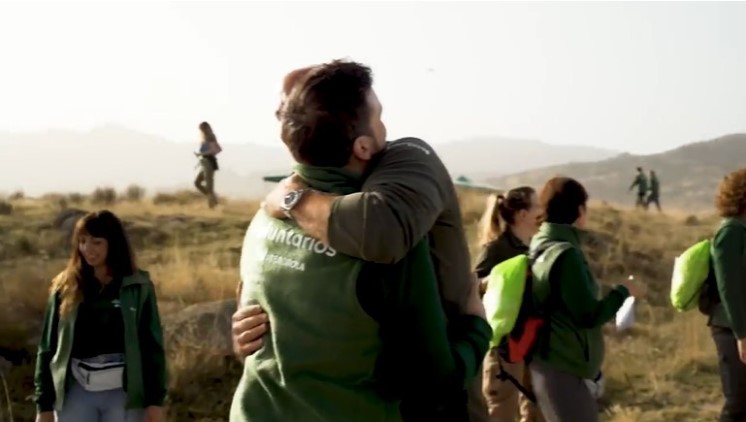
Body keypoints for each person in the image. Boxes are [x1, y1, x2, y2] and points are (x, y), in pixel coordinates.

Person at [229, 60, 490, 422]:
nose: (387, 127)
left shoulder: (263, 220)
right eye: (380, 116)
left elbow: (259, 325)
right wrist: (478, 327)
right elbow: (433, 378)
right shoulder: (382, 244)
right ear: (363, 147)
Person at [34, 210, 167, 422]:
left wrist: (155, 402)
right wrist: (43, 405)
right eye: (83, 241)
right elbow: (48, 348)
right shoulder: (65, 286)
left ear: (113, 244)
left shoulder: (138, 286)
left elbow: (152, 347)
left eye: (97, 242)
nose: (88, 249)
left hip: (123, 394)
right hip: (75, 392)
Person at [527, 177, 638, 422]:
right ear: (579, 210)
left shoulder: (540, 243)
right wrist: (622, 293)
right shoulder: (567, 255)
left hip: (550, 363)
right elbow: (589, 314)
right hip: (565, 367)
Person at [473, 189, 544, 422]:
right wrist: (500, 279)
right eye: (537, 206)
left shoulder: (536, 247)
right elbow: (473, 287)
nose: (542, 212)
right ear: (523, 214)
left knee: (537, 412)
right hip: (505, 348)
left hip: (533, 343)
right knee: (501, 412)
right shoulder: (496, 249)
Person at [699, 168, 746, 422]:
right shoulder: (730, 232)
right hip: (730, 328)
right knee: (737, 404)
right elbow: (730, 288)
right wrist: (742, 334)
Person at [193, 121, 222, 208]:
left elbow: (216, 150)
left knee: (209, 186)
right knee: (197, 182)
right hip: (203, 162)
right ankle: (213, 199)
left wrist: (202, 154)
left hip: (208, 162)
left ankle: (212, 205)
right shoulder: (203, 138)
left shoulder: (210, 137)